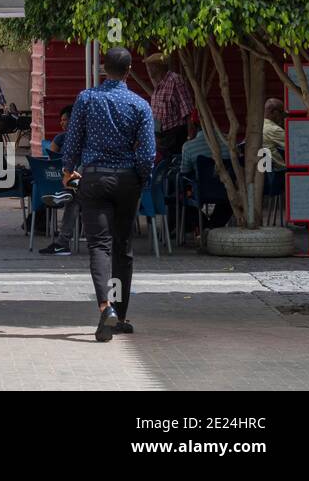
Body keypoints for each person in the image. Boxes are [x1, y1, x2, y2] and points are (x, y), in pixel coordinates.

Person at [60, 47, 155, 342]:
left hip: (94, 178)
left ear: (103, 68)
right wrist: (141, 178)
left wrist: (67, 170)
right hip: (127, 180)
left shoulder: (87, 99)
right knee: (122, 247)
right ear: (129, 71)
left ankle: (106, 308)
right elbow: (148, 153)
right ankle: (121, 314)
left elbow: (73, 139)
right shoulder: (140, 105)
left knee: (99, 246)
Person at [39, 104, 79, 255]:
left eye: (65, 120)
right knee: (74, 196)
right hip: (66, 177)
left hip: (77, 179)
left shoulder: (82, 137)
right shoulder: (61, 138)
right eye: (60, 120)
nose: (62, 123)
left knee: (73, 197)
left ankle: (64, 193)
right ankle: (65, 192)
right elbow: (51, 160)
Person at [147, 52, 194, 158]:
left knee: (172, 166)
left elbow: (187, 108)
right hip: (160, 136)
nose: (149, 70)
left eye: (151, 66)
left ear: (159, 67)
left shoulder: (175, 80)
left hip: (174, 136)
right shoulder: (160, 84)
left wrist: (190, 135)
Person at [262, 97, 287, 169]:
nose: (283, 116)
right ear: (275, 113)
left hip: (265, 169)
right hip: (279, 170)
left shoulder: (260, 126)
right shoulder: (274, 129)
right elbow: (294, 146)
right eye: (282, 112)